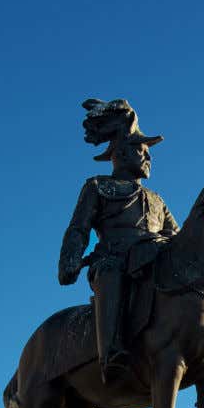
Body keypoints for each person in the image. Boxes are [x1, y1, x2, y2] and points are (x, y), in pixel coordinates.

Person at [58, 99, 178, 381]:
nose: (148, 158)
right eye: (142, 150)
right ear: (122, 153)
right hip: (115, 259)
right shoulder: (98, 186)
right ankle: (110, 353)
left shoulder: (156, 200)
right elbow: (78, 228)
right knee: (110, 274)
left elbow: (176, 235)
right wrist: (70, 260)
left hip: (153, 259)